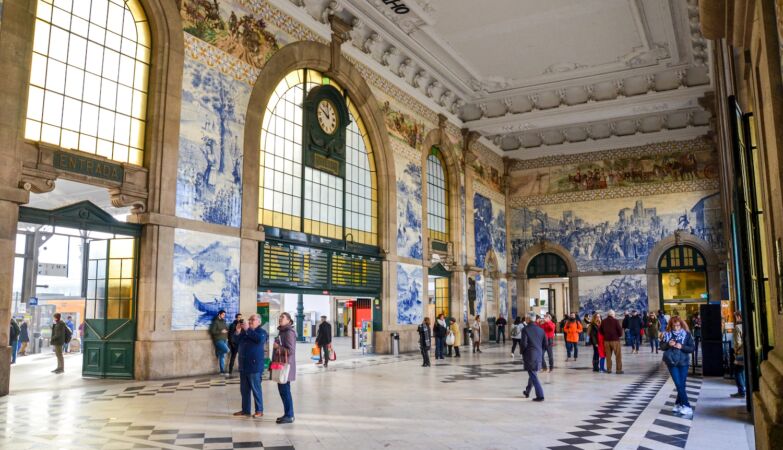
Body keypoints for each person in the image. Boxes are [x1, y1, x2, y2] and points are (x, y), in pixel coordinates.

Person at [233, 314, 268, 418]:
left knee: (256, 390)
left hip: (254, 367)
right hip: (243, 366)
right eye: (249, 319)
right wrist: (238, 331)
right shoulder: (245, 332)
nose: (250, 321)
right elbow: (236, 341)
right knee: (244, 390)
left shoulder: (261, 332)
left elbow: (258, 340)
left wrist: (248, 329)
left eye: (252, 319)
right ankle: (245, 410)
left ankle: (259, 410)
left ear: (259, 322)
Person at [660, 316, 695, 417]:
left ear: (681, 324)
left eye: (678, 325)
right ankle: (686, 405)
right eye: (674, 326)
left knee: (681, 384)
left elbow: (692, 348)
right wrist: (668, 344)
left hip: (683, 362)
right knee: (678, 383)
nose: (676, 328)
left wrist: (682, 346)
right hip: (671, 362)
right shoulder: (666, 334)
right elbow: (662, 347)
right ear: (670, 325)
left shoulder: (687, 334)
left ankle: (679, 404)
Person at [273, 312, 297, 424]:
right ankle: (288, 414)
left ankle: (289, 415)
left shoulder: (289, 332)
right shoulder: (282, 331)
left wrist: (278, 347)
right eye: (280, 317)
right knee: (284, 390)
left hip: (286, 365)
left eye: (283, 317)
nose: (280, 318)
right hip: (281, 363)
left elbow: (291, 351)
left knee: (285, 391)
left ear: (289, 320)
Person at [520, 313, 547, 402]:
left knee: (533, 375)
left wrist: (522, 352)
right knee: (533, 373)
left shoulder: (525, 329)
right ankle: (527, 391)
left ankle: (540, 395)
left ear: (528, 319)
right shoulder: (541, 330)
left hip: (529, 355)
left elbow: (523, 344)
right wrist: (540, 353)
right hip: (538, 355)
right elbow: (545, 344)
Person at [599, 310, 624, 374]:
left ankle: (609, 369)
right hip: (615, 340)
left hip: (606, 341)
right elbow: (620, 331)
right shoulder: (615, 321)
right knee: (618, 356)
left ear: (608, 315)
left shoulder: (603, 321)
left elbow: (600, 330)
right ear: (613, 315)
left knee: (608, 356)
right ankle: (618, 370)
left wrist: (605, 335)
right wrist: (617, 335)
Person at [209, 310, 230, 376]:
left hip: (225, 340)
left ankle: (222, 371)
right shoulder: (215, 322)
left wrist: (227, 330)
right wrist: (221, 331)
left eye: (224, 314)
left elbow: (227, 329)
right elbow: (212, 331)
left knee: (222, 356)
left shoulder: (224, 321)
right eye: (223, 314)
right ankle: (217, 352)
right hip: (218, 340)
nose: (224, 316)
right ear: (219, 314)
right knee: (227, 350)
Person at [731, 311, 746, 398]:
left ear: (739, 317)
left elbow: (737, 342)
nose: (735, 319)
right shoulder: (746, 326)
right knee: (741, 371)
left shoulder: (737, 327)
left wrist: (736, 352)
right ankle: (744, 389)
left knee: (737, 372)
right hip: (746, 352)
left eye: (736, 317)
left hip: (740, 353)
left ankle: (741, 391)